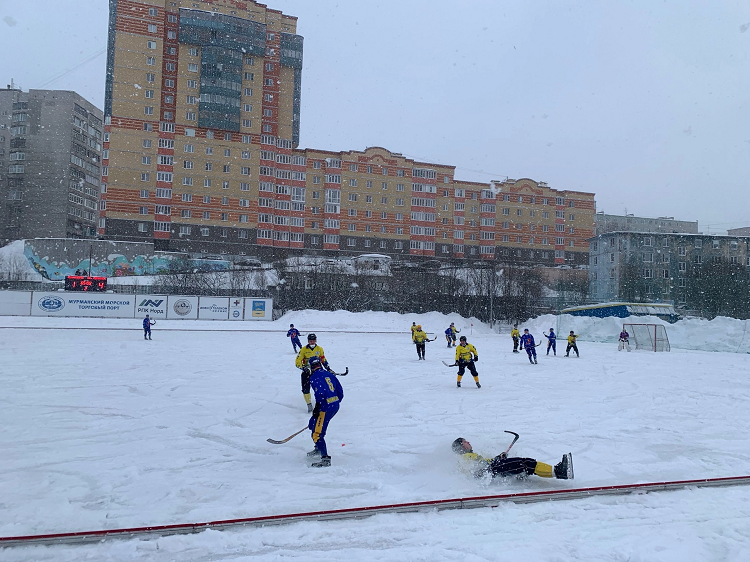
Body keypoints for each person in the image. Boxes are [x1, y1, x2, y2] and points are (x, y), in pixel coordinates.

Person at [451, 438, 573, 480]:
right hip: (491, 470)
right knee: (524, 463)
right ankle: (559, 472)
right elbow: (483, 466)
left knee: (525, 464)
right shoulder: (466, 457)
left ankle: (556, 472)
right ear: (461, 447)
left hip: (491, 470)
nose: (468, 442)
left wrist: (499, 458)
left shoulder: (467, 457)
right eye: (465, 441)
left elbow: (483, 464)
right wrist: (498, 460)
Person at [306, 356, 344, 468]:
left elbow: (319, 393)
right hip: (335, 406)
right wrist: (335, 403)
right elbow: (340, 392)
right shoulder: (330, 374)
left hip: (324, 408)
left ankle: (325, 459)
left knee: (316, 434)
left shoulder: (314, 377)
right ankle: (318, 447)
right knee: (312, 423)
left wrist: (318, 408)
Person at [295, 333, 331, 413]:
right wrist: (303, 368)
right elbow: (297, 361)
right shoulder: (303, 349)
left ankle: (323, 402)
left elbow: (323, 359)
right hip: (307, 372)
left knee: (321, 387)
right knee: (305, 389)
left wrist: (327, 367)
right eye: (310, 341)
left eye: (313, 340)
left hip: (317, 372)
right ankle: (309, 405)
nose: (312, 342)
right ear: (308, 341)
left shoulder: (319, 349)